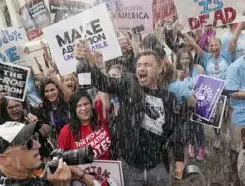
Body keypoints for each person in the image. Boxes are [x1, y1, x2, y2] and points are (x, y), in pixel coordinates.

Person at [74, 40, 184, 185]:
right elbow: (102, 82)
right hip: (129, 165)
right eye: (139, 65)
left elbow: (175, 130)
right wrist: (86, 59)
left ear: (159, 69)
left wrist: (179, 159)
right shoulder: (128, 83)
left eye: (147, 65)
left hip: (157, 165)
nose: (141, 68)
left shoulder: (169, 98)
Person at [0, 121, 95, 186]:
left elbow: (48, 167)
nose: (38, 145)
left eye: (34, 139)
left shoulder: (24, 169)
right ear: (4, 159)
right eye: (29, 144)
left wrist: (83, 175)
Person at [57, 90, 112, 161]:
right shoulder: (66, 131)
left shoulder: (99, 117)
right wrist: (81, 172)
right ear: (74, 110)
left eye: (86, 104)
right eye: (79, 106)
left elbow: (105, 93)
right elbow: (61, 159)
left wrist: (100, 94)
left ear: (91, 104)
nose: (84, 108)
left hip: (109, 169)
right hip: (82, 171)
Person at [225, 55, 245, 185]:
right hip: (240, 116)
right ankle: (234, 179)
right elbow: (232, 93)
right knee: (236, 149)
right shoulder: (235, 67)